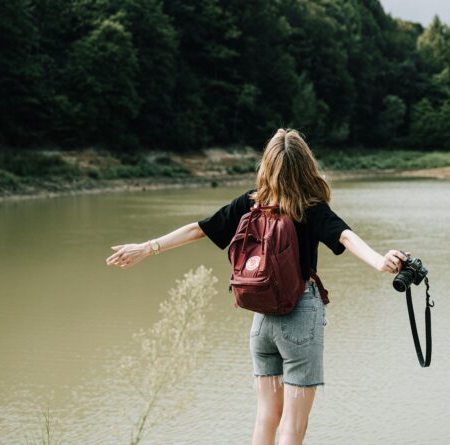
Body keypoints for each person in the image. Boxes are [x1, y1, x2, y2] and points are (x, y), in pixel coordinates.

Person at [105, 128, 409, 445]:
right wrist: (378, 261)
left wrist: (147, 247)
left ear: (267, 165)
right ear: (307, 166)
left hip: (261, 321)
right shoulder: (310, 206)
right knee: (293, 425)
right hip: (299, 318)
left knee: (266, 419)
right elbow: (344, 236)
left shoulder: (253, 203)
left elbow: (199, 230)